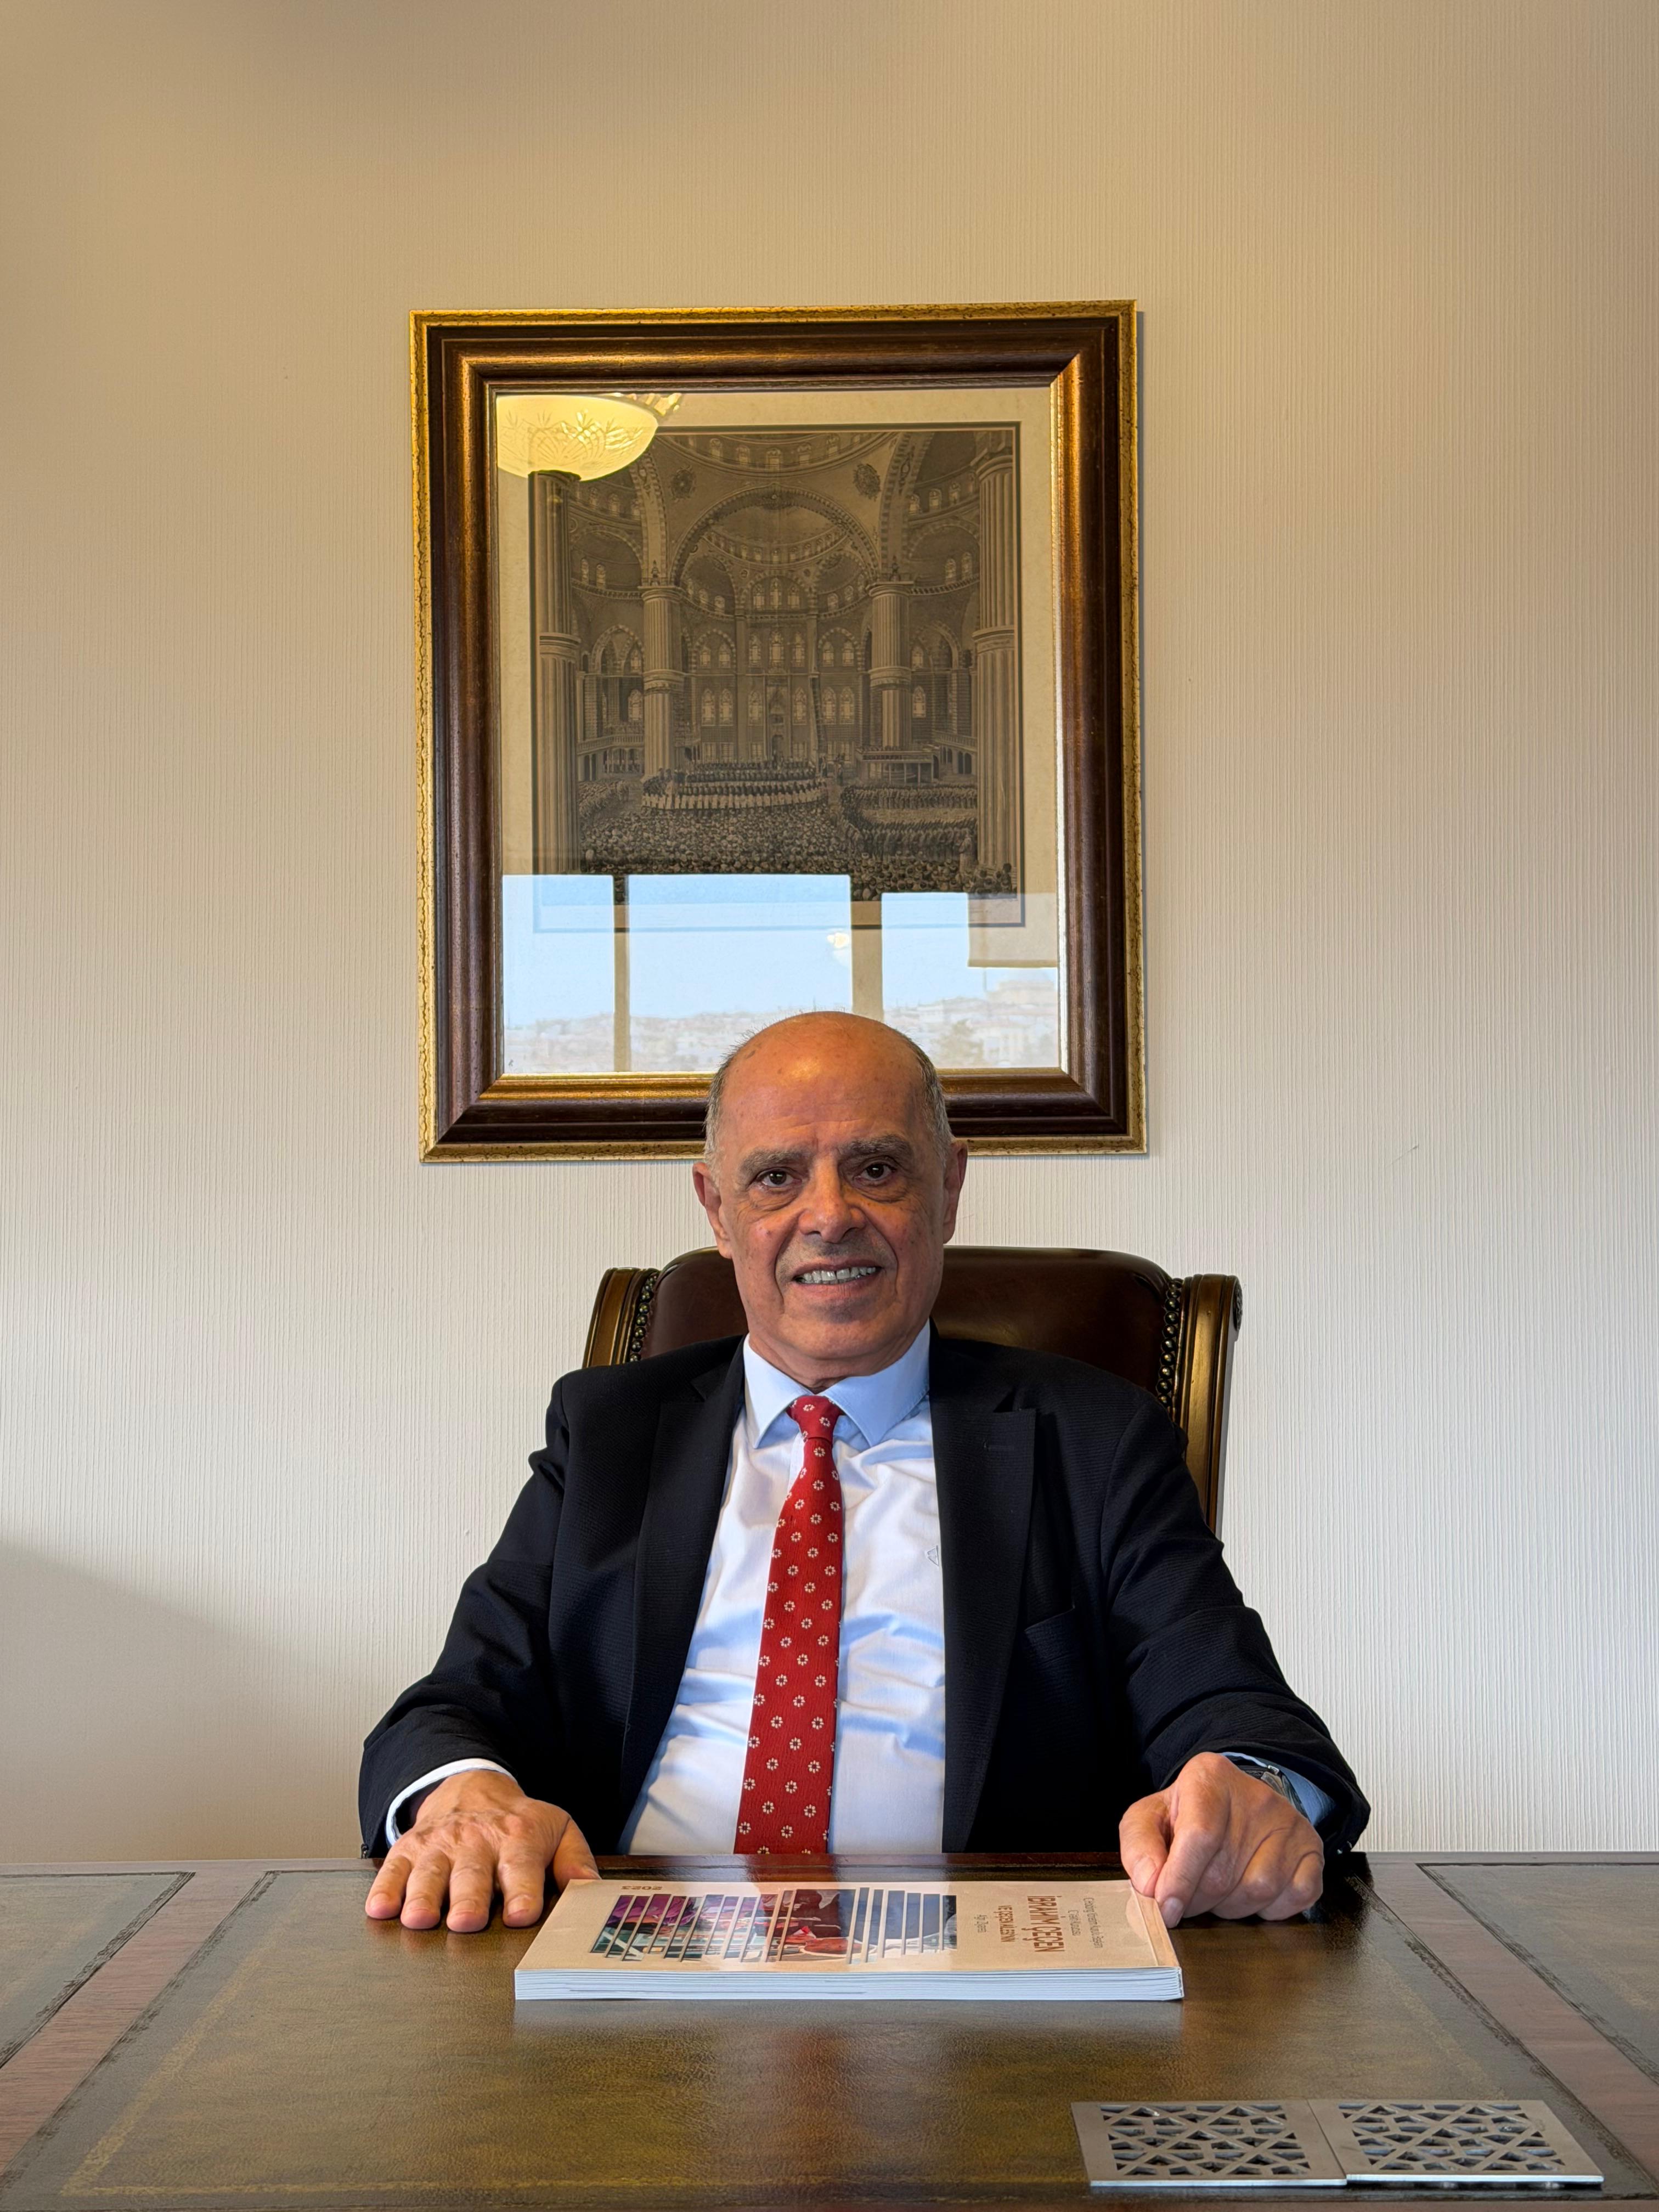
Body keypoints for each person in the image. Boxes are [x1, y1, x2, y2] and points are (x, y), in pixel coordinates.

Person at [362, 1012, 1367, 1934]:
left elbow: (1232, 1706)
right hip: (631, 1956)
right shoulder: (609, 1434)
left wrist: (1250, 1790)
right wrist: (468, 1797)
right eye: (776, 1177)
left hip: (983, 1983)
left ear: (949, 1187)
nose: (829, 1216)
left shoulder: (1093, 1439)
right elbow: (453, 1709)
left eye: (877, 1169)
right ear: (717, 1209)